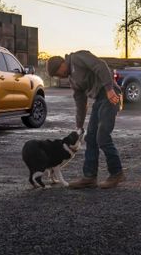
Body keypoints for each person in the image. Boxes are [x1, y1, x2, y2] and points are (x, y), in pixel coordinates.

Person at [46, 50, 125, 189]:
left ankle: (116, 173)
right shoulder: (72, 79)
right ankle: (89, 177)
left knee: (103, 136)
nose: (60, 76)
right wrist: (79, 126)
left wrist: (109, 89)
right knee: (90, 137)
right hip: (99, 100)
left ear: (62, 63)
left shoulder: (78, 58)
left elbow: (101, 66)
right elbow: (80, 102)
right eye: (56, 76)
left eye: (58, 72)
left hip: (109, 95)